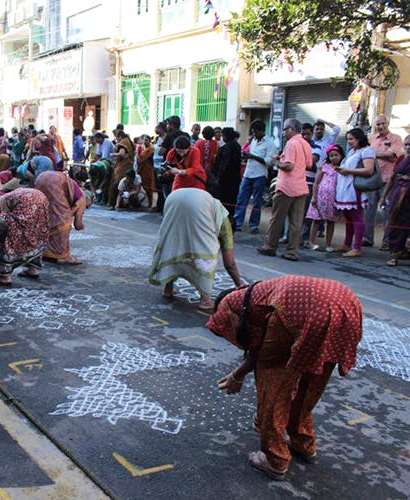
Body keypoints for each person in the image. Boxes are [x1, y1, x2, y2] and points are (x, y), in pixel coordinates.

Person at [208, 276, 363, 481]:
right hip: (348, 305)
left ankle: (275, 458)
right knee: (312, 377)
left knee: (273, 381)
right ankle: (303, 443)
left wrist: (240, 380)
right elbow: (259, 346)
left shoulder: (229, 305)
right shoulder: (257, 292)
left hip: (305, 307)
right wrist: (238, 376)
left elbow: (259, 355)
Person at [149, 188, 243, 310]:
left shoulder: (212, 209)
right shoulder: (224, 221)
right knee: (207, 248)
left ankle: (168, 289)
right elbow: (229, 263)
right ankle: (205, 301)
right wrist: (240, 285)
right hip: (194, 202)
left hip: (173, 197)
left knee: (175, 241)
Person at [257, 118, 311, 261]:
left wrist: (276, 162)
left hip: (287, 186)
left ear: (292, 129)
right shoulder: (305, 143)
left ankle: (270, 246)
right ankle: (292, 251)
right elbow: (309, 164)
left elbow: (289, 166)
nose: (283, 132)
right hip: (301, 186)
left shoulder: (292, 143)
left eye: (285, 129)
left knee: (277, 219)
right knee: (296, 222)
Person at [0, 188, 49, 286]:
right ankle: (33, 270)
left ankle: (4, 277)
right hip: (40, 198)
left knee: (7, 239)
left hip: (28, 202)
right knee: (34, 234)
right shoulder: (4, 200)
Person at [333, 128, 377, 257]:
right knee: (348, 217)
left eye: (351, 139)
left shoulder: (367, 151)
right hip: (345, 188)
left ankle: (356, 247)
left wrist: (348, 171)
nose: (349, 142)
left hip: (354, 189)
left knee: (356, 217)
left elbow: (369, 170)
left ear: (359, 138)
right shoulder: (352, 151)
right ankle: (347, 243)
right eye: (348, 139)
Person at [34, 170, 88, 264]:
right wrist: (81, 225)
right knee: (64, 222)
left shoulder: (72, 187)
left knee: (46, 215)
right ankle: (62, 255)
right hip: (54, 182)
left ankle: (45, 251)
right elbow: (78, 225)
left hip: (41, 177)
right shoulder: (82, 198)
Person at [366, 114, 403, 248]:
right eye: (378, 124)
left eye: (383, 124)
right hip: (372, 179)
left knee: (387, 210)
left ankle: (387, 241)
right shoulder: (371, 139)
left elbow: (392, 156)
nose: (381, 126)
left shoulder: (396, 139)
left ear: (388, 124)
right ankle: (367, 238)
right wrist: (382, 154)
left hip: (388, 180)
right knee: (369, 209)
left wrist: (374, 154)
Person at [234, 119, 277, 233]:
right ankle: (238, 222)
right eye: (253, 132)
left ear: (262, 131)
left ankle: (254, 225)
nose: (254, 134)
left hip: (260, 175)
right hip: (248, 173)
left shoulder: (269, 143)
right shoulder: (253, 141)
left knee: (257, 201)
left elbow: (269, 162)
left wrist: (252, 156)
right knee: (241, 199)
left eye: (256, 132)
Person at [379, 134, 410, 266]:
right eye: (407, 144)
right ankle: (395, 253)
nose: (408, 147)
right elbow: (392, 178)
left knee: (405, 225)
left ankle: (400, 252)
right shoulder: (401, 159)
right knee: (394, 223)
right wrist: (383, 197)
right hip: (397, 195)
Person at [305, 144, 341, 251]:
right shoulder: (324, 167)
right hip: (321, 197)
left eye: (336, 155)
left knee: (331, 221)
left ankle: (328, 244)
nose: (334, 157)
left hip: (333, 199)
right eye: (331, 155)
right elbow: (316, 182)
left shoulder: (342, 169)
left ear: (341, 155)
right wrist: (314, 196)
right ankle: (311, 242)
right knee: (316, 220)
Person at [214, 127, 242, 222]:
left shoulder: (227, 147)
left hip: (226, 181)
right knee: (231, 203)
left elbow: (224, 165)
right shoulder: (237, 146)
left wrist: (218, 178)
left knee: (224, 202)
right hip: (235, 180)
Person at [107, 130, 135, 208]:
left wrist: (113, 154)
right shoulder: (128, 141)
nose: (117, 139)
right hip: (128, 166)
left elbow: (121, 153)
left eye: (117, 137)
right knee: (126, 185)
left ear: (119, 136)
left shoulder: (123, 142)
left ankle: (113, 204)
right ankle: (123, 203)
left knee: (116, 185)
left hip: (121, 167)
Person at [136, 134, 156, 209]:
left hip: (148, 169)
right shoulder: (143, 148)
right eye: (144, 140)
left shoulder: (151, 149)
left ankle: (151, 203)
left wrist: (140, 161)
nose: (145, 142)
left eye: (147, 140)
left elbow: (146, 159)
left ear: (150, 141)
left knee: (148, 186)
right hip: (142, 169)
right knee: (143, 185)